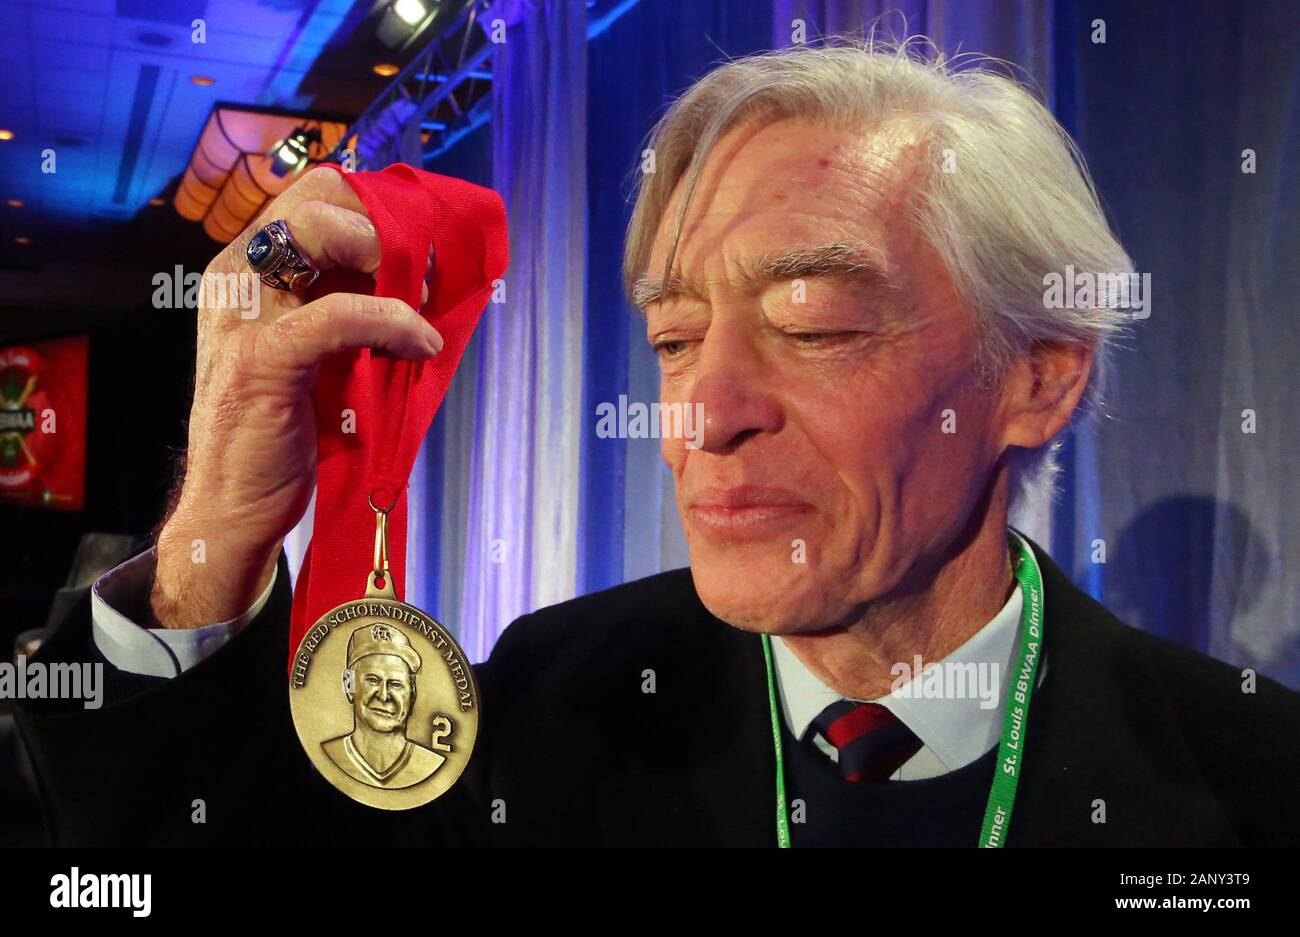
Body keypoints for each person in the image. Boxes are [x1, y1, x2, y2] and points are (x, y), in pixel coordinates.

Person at [15, 37, 1300, 847]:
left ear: (1035, 378)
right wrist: (212, 545)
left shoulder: (1247, 784)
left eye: (813, 320)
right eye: (675, 338)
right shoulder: (552, 694)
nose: (703, 411)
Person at [320, 623, 446, 790]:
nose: (384, 695)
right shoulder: (326, 756)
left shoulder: (433, 766)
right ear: (349, 684)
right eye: (372, 680)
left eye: (395, 684)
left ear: (413, 693)